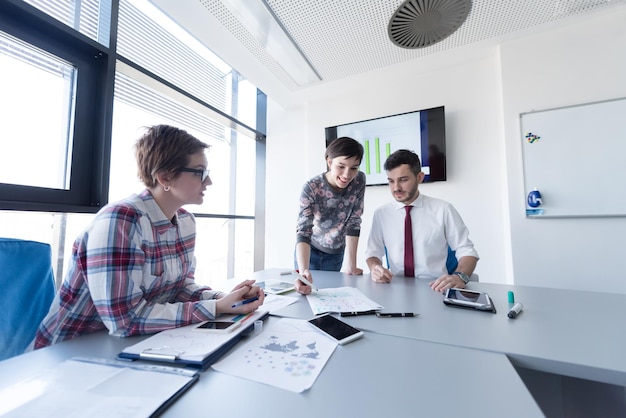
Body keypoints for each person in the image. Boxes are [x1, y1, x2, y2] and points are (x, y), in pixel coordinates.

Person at [34, 125, 264, 348]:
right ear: (164, 177)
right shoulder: (120, 221)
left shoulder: (185, 221)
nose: (209, 182)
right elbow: (124, 321)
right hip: (68, 350)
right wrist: (215, 307)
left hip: (131, 344)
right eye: (200, 172)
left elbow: (180, 288)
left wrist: (227, 298)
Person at [365, 149, 478, 292]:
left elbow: (467, 251)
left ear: (419, 177)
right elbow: (372, 253)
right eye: (391, 181)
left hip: (435, 288)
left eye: (403, 180)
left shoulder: (443, 210)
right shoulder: (381, 214)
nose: (396, 188)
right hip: (395, 288)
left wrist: (460, 277)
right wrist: (375, 268)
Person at [294, 137, 366, 295]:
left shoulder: (359, 180)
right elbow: (303, 230)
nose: (347, 175)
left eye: (354, 168)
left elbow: (354, 222)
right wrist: (304, 269)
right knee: (305, 295)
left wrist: (351, 265)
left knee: (330, 297)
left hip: (336, 252)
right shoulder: (312, 187)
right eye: (341, 166)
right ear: (329, 161)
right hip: (309, 250)